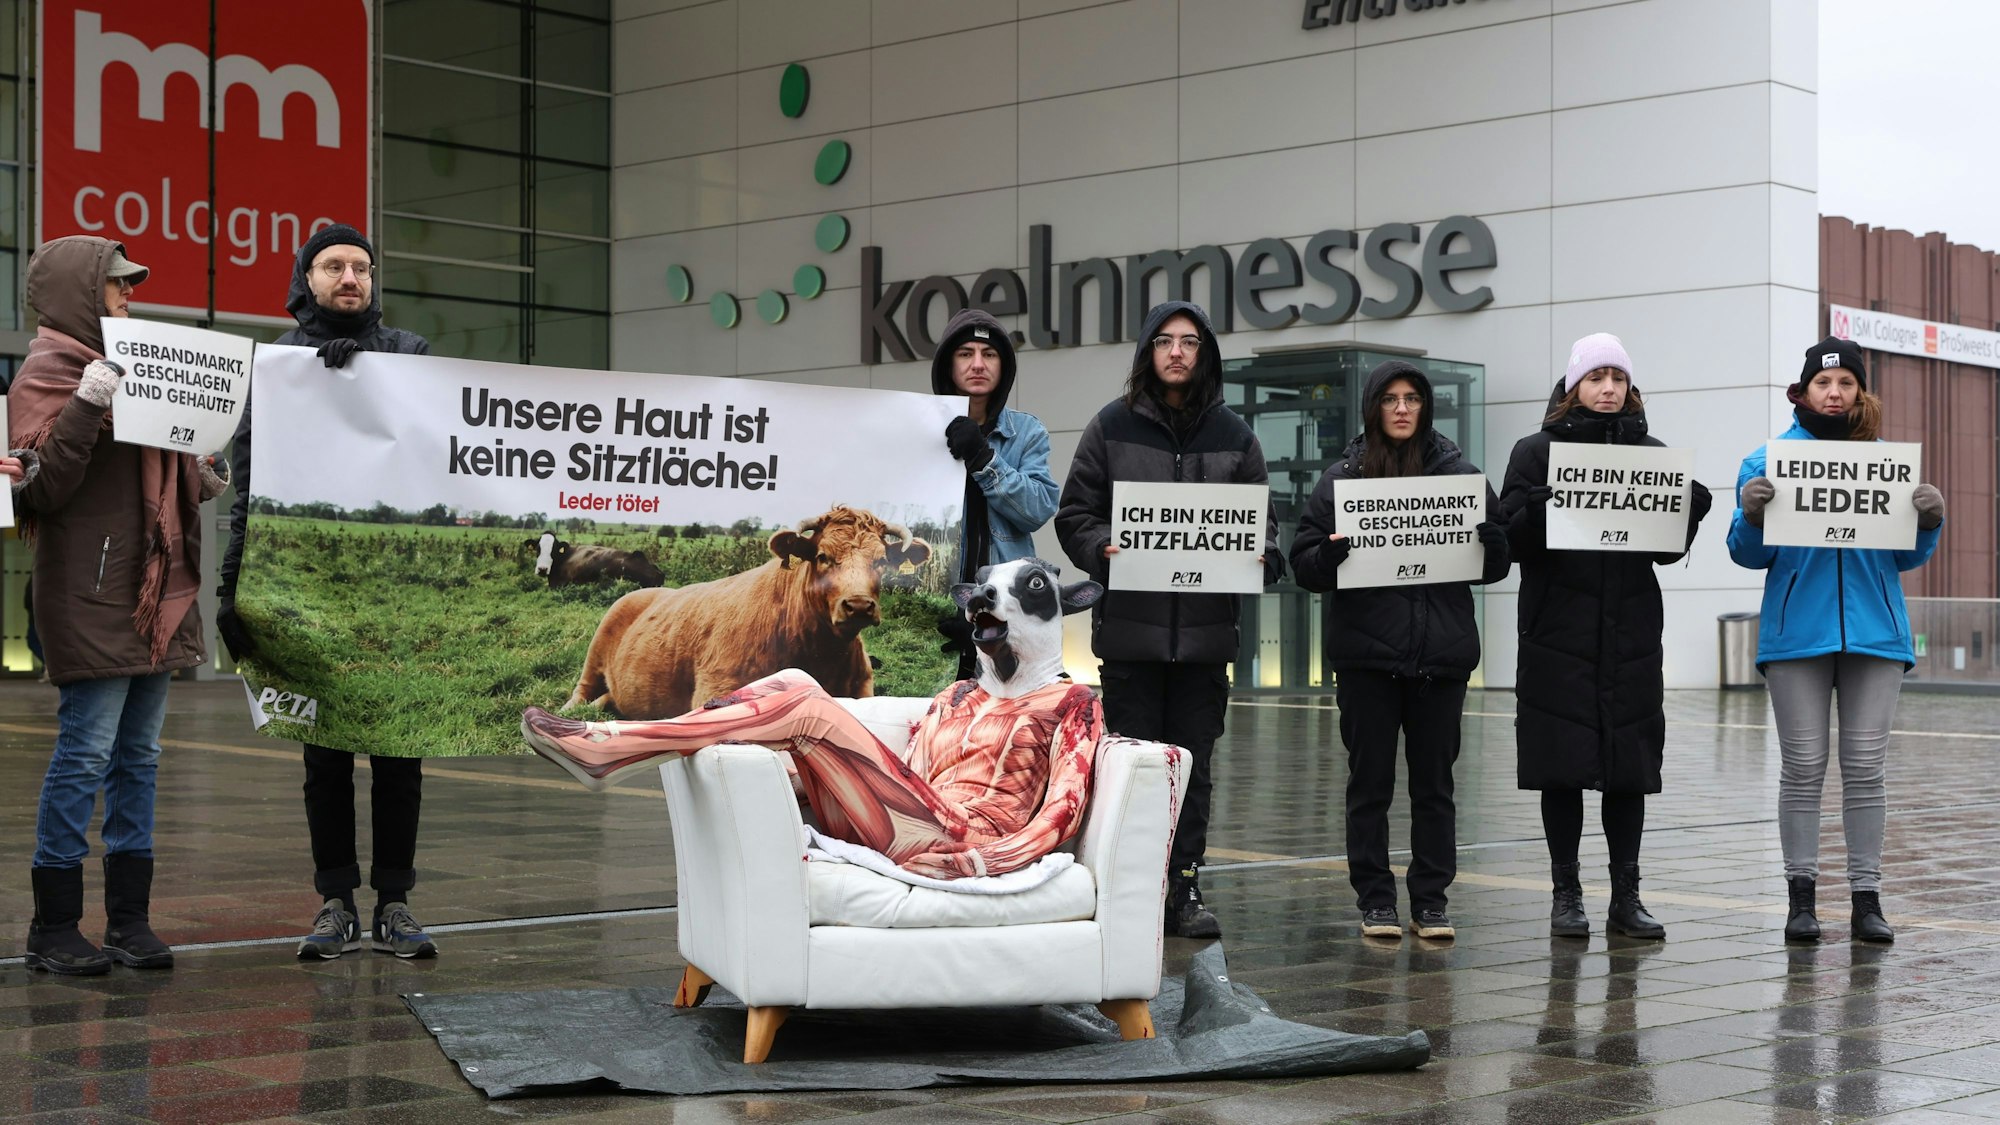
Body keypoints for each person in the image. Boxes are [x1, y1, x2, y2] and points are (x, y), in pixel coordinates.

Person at [521, 558, 1105, 880]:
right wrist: (793, 774)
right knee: (790, 713)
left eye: (1021, 590)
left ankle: (616, 745)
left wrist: (982, 861)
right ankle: (622, 745)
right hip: (906, 820)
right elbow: (906, 774)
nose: (986, 605)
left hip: (967, 837)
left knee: (802, 691)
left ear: (1059, 607)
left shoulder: (1072, 703)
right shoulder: (956, 697)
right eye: (982, 596)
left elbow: (1064, 812)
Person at [216, 224, 439, 961]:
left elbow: (432, 441)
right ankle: (336, 899)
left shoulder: (407, 353)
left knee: (400, 748)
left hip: (397, 589)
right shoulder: (278, 366)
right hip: (308, 587)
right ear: (305, 278)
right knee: (326, 755)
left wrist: (361, 377)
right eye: (334, 265)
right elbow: (250, 482)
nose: (351, 277)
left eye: (362, 267)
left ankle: (397, 901)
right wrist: (234, 586)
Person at [11, 236, 231, 974]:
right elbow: (38, 486)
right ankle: (55, 925)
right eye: (116, 286)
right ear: (81, 291)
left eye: (131, 286)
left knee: (139, 757)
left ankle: (130, 921)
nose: (128, 296)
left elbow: (164, 471)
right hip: (93, 592)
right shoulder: (49, 374)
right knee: (86, 754)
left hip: (153, 591)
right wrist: (86, 403)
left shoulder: (138, 370)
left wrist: (204, 472)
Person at [1054, 301, 1284, 939]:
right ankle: (1124, 888)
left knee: (1193, 769)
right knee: (1128, 768)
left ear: (1205, 353)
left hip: (1207, 642)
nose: (1177, 352)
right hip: (1131, 637)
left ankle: (1183, 888)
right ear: (1147, 353)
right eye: (1164, 341)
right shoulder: (1110, 426)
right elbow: (1075, 514)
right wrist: (1101, 547)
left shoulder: (1237, 436)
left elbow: (1262, 527)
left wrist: (1262, 554)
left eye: (1189, 341)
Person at [1728, 336, 1942, 944]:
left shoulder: (1884, 462)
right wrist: (1750, 513)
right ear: (1802, 391)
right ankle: (1801, 899)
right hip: (1798, 635)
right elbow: (1747, 555)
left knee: (1866, 769)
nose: (1834, 392)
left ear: (1859, 393)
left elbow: (1903, 555)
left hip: (1876, 636)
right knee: (1802, 767)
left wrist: (1929, 522)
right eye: (1824, 383)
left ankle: (1866, 901)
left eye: (1846, 383)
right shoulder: (1765, 461)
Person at [1498, 334, 1713, 941]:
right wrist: (1534, 511)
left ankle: (1627, 896)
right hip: (1556, 633)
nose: (1609, 389)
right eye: (1596, 378)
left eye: (1618, 378)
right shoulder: (1534, 451)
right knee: (1560, 767)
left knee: (1628, 768)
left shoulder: (1652, 453)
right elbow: (1510, 543)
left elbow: (1665, 555)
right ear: (1573, 387)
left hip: (1632, 634)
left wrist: (1688, 513)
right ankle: (1566, 894)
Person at [1288, 359, 1509, 941]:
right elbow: (1304, 564)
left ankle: (1431, 901)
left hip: (1441, 657)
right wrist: (1327, 559)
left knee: (1435, 787)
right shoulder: (1341, 479)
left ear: (1426, 406)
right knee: (1370, 784)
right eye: (1391, 398)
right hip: (1366, 660)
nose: (1403, 408)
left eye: (1413, 398)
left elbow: (1496, 560)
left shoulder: (1460, 475)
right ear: (1373, 407)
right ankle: (1376, 900)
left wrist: (1494, 544)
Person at [933, 309, 1059, 680]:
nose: (977, 364)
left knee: (1001, 728)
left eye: (989, 355)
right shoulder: (919, 427)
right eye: (965, 353)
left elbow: (1038, 507)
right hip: (937, 606)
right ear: (948, 365)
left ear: (1003, 367)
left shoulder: (1026, 432)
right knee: (934, 725)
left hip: (1005, 611)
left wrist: (984, 459)